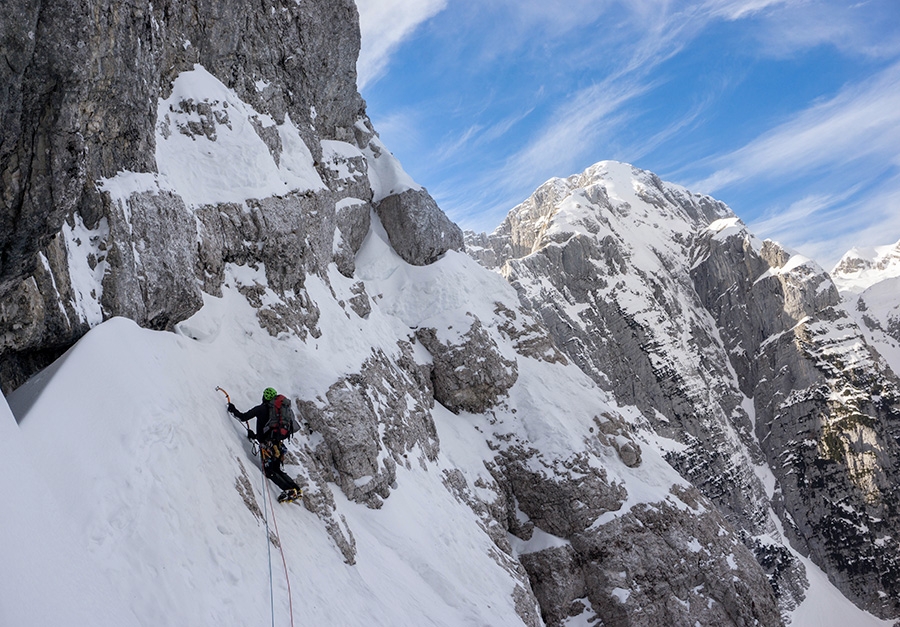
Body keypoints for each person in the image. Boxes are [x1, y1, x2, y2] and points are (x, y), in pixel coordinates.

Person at [228, 387, 302, 503]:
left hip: (267, 446)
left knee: (270, 471)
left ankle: (289, 490)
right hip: (277, 444)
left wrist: (232, 409)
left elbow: (243, 417)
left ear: (264, 397)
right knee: (277, 469)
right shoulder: (278, 413)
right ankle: (296, 489)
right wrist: (254, 436)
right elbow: (269, 430)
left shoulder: (260, 409)